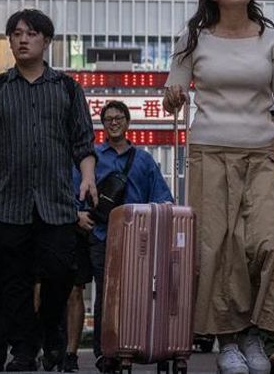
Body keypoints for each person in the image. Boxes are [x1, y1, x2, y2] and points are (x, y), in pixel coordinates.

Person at [164, 0, 274, 374]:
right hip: (209, 152)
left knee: (262, 246)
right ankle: (228, 342)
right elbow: (174, 83)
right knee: (219, 250)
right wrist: (173, 93)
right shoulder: (194, 38)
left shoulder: (273, 41)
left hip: (261, 154)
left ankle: (256, 335)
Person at [0, 9, 97, 371]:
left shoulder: (67, 88)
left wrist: (87, 177)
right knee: (12, 282)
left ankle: (49, 333)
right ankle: (23, 351)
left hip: (56, 202)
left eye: (31, 34)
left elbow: (83, 143)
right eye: (16, 34)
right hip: (8, 202)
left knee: (60, 272)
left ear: (46, 41)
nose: (22, 39)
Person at [67, 100, 174, 373]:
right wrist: (79, 215)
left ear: (128, 122)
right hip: (102, 236)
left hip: (138, 241)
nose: (113, 123)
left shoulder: (145, 160)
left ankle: (135, 344)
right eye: (108, 119)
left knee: (138, 294)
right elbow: (71, 192)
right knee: (107, 294)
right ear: (102, 125)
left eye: (118, 118)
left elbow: (164, 199)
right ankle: (106, 353)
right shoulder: (91, 158)